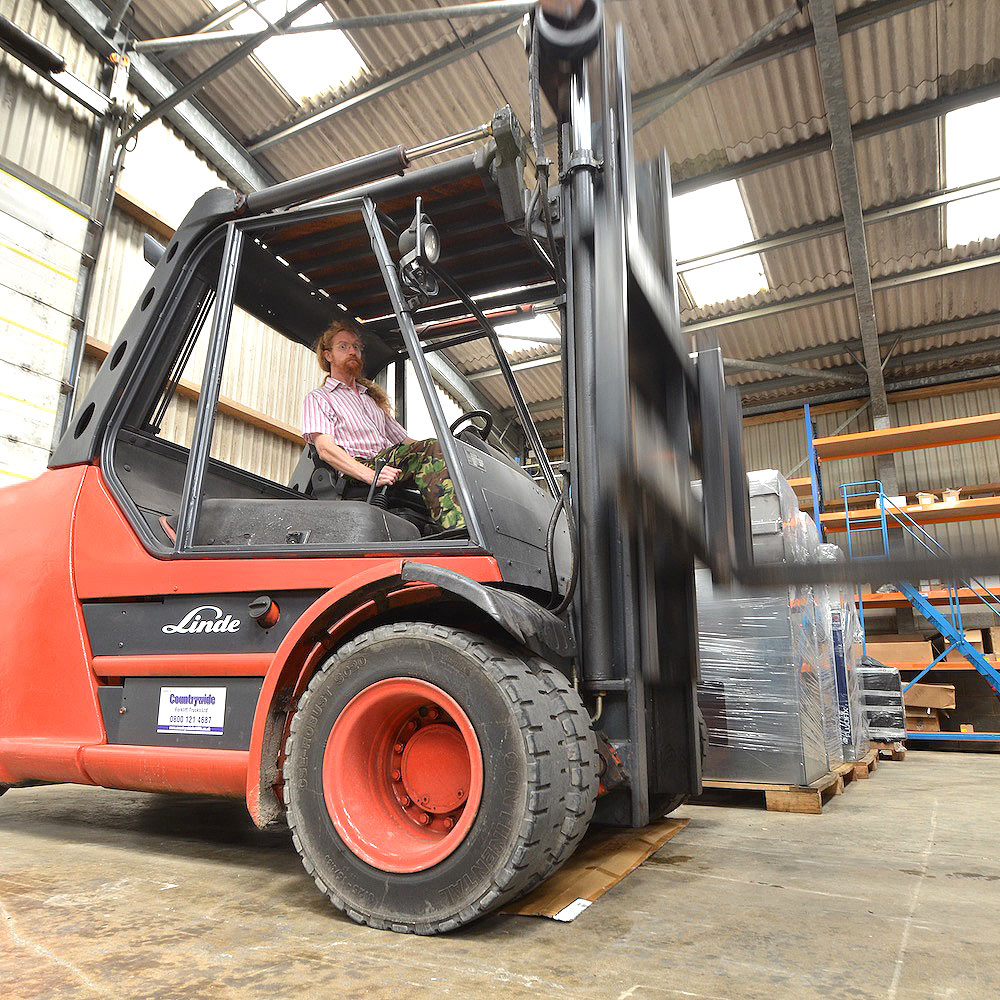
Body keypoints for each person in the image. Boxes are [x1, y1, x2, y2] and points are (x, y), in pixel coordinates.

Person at [301, 319, 466, 532]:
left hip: (384, 463)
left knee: (447, 453)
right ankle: (456, 530)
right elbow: (326, 450)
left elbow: (407, 442)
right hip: (357, 470)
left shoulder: (371, 399)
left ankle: (463, 523)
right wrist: (371, 475)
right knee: (432, 448)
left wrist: (447, 451)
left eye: (356, 347)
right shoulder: (320, 398)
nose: (352, 351)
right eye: (343, 346)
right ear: (328, 355)